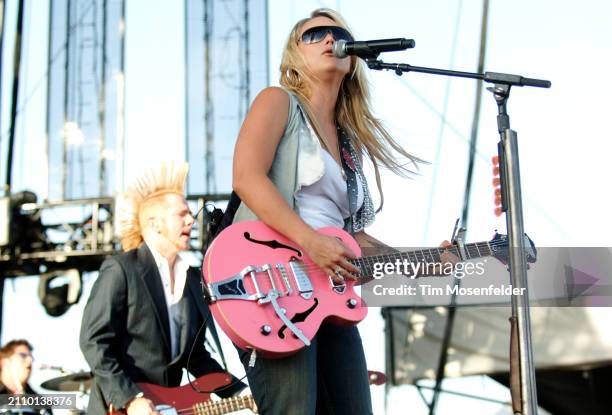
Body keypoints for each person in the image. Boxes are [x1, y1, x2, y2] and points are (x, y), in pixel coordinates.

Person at [230, 8, 455, 414]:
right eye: (315, 34)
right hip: (273, 288)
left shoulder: (348, 143)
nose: (330, 39)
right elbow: (247, 176)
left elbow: (353, 239)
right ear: (293, 56)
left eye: (338, 33)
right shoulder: (277, 101)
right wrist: (311, 242)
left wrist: (423, 261)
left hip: (329, 295)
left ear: (353, 61)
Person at [79, 162, 246, 415]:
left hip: (168, 409)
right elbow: (93, 341)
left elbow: (194, 356)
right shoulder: (122, 269)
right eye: (182, 214)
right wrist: (130, 398)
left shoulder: (191, 280)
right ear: (155, 223)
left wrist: (240, 392)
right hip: (121, 408)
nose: (192, 220)